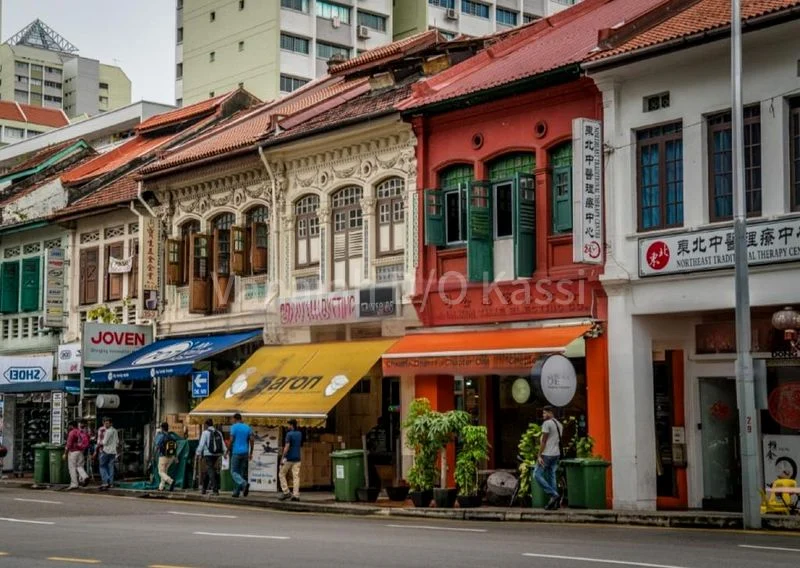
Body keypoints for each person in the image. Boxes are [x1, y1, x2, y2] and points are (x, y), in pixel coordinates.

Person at [534, 405, 563, 510]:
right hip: (556, 454)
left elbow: (544, 441)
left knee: (536, 474)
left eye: (544, 413)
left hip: (547, 454)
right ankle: (555, 504)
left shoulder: (547, 423)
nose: (543, 415)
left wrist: (539, 455)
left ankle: (553, 494)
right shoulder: (559, 424)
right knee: (552, 476)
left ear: (550, 412)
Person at [227, 413, 253, 498]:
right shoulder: (247, 427)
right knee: (240, 473)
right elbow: (252, 440)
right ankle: (236, 492)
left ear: (235, 419)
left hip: (236, 452)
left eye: (232, 419)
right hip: (245, 452)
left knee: (234, 472)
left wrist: (227, 450)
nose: (232, 421)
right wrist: (251, 452)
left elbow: (231, 440)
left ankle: (244, 483)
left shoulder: (234, 427)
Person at [196, 418, 225, 496]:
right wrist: (224, 452)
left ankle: (215, 490)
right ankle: (204, 489)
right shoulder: (218, 432)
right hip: (217, 454)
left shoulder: (205, 433)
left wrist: (198, 453)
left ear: (206, 425)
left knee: (210, 470)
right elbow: (222, 443)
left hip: (208, 454)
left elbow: (202, 444)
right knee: (208, 470)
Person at [279, 419, 302, 501]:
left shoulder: (289, 434)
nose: (287, 426)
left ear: (291, 425)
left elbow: (286, 447)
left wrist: (282, 458)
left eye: (288, 425)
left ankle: (286, 492)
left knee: (281, 473)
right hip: (298, 458)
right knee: (296, 477)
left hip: (289, 458)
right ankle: (296, 495)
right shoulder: (299, 434)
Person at [64, 421, 90, 489]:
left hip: (73, 452)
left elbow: (69, 444)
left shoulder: (72, 432)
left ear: (72, 426)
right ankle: (84, 476)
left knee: (72, 468)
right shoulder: (80, 432)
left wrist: (65, 453)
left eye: (69, 426)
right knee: (80, 466)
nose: (68, 427)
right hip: (80, 451)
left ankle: (74, 484)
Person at [154, 422, 177, 492]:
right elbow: (176, 445)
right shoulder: (171, 436)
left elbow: (157, 444)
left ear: (162, 428)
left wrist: (157, 434)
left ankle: (170, 481)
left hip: (163, 456)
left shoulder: (161, 436)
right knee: (164, 472)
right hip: (171, 456)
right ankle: (161, 487)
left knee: (160, 472)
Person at [97, 417, 119, 490]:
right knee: (111, 467)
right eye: (105, 423)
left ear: (110, 423)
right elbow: (117, 442)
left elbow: (104, 442)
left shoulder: (108, 431)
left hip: (106, 451)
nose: (105, 425)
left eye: (107, 423)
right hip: (113, 452)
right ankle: (111, 483)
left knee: (102, 466)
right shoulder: (115, 430)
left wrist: (99, 442)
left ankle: (105, 482)